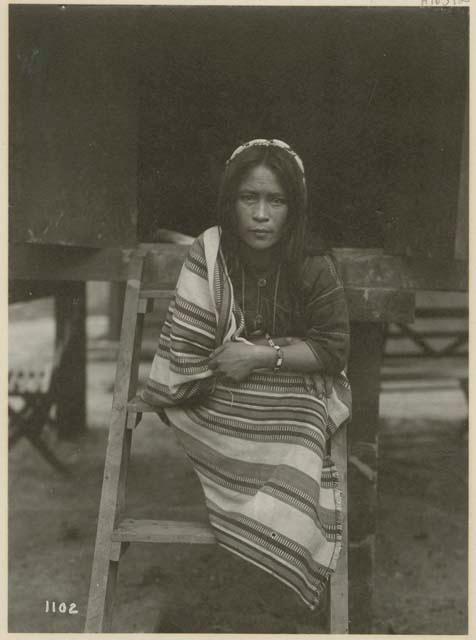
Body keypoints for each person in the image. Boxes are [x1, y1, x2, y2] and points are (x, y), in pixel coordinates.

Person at [142, 138, 351, 628]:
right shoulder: (211, 252)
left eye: (275, 201)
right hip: (215, 389)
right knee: (190, 404)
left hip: (279, 384)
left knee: (307, 419)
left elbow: (333, 349)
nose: (261, 215)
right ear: (230, 202)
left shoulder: (313, 263)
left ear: (292, 208)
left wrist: (259, 355)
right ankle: (253, 513)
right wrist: (234, 361)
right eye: (248, 199)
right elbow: (186, 356)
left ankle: (279, 526)